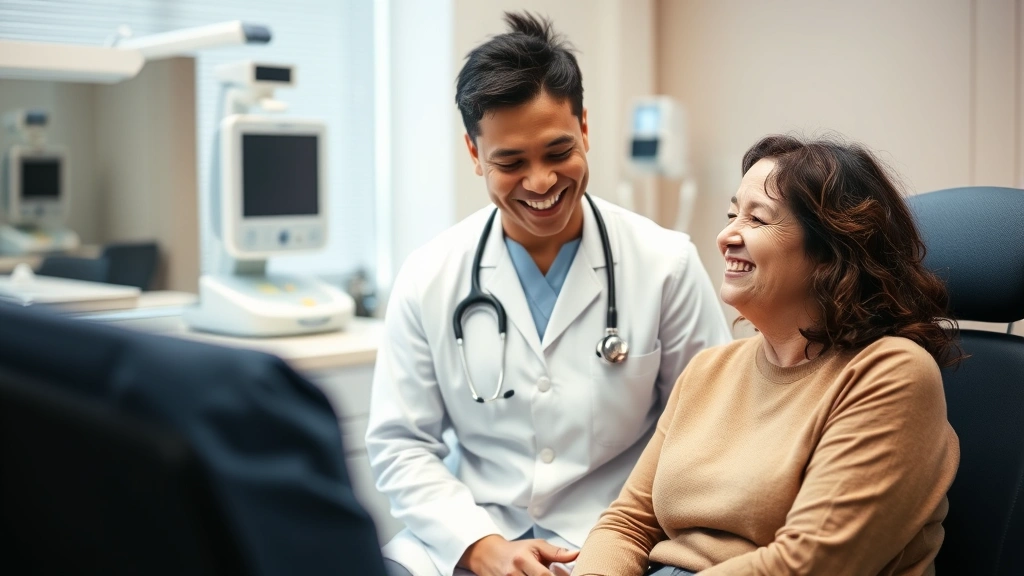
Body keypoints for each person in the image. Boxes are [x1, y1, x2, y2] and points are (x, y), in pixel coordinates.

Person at [364, 11, 732, 576]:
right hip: (473, 535)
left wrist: (617, 546)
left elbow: (705, 431)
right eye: (510, 162)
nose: (540, 182)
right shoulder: (428, 276)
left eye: (558, 153)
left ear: (584, 127)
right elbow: (400, 444)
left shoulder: (665, 264)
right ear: (474, 153)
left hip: (620, 536)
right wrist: (479, 546)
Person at [572, 134, 962, 576]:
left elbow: (808, 564)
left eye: (756, 220)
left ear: (830, 252)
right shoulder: (709, 370)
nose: (725, 236)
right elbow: (626, 524)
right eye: (731, 214)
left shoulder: (891, 374)